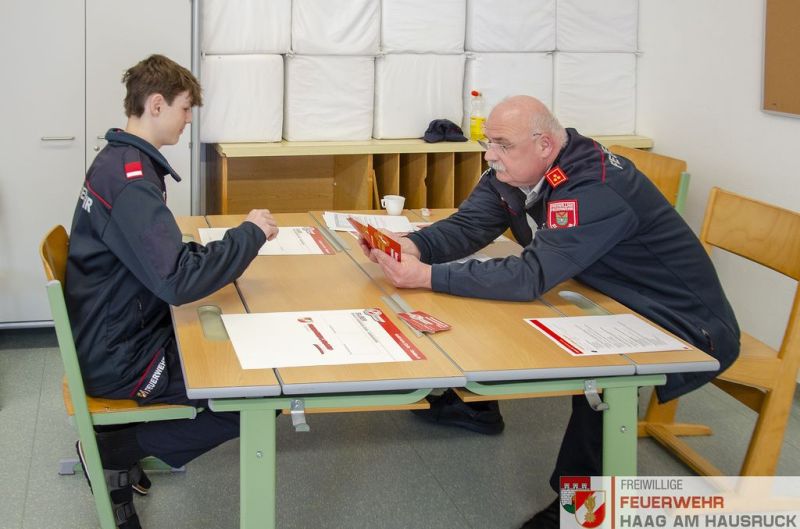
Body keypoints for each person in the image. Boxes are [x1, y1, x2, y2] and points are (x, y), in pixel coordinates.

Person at [360, 95, 740, 529]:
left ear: (544, 144)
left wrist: (426, 275)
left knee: (602, 376)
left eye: (502, 145)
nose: (490, 155)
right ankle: (478, 404)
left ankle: (582, 512)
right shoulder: (518, 168)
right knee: (490, 300)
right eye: (488, 143)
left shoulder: (594, 186)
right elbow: (470, 225)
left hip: (681, 322)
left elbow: (530, 276)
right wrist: (413, 245)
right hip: (601, 292)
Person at [65, 54, 278, 529]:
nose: (188, 119)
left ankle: (125, 448)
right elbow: (177, 281)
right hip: (121, 355)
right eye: (185, 109)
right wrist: (248, 236)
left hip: (116, 329)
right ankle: (115, 449)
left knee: (236, 349)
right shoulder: (131, 180)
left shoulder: (120, 162)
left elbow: (160, 257)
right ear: (156, 104)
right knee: (261, 393)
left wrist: (223, 250)